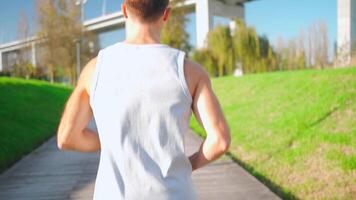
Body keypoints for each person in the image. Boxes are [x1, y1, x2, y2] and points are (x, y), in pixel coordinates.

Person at [56, 0, 231, 199]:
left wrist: (111, 140)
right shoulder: (189, 71)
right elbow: (220, 141)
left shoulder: (95, 69)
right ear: (166, 14)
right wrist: (190, 164)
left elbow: (66, 137)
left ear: (124, 10)